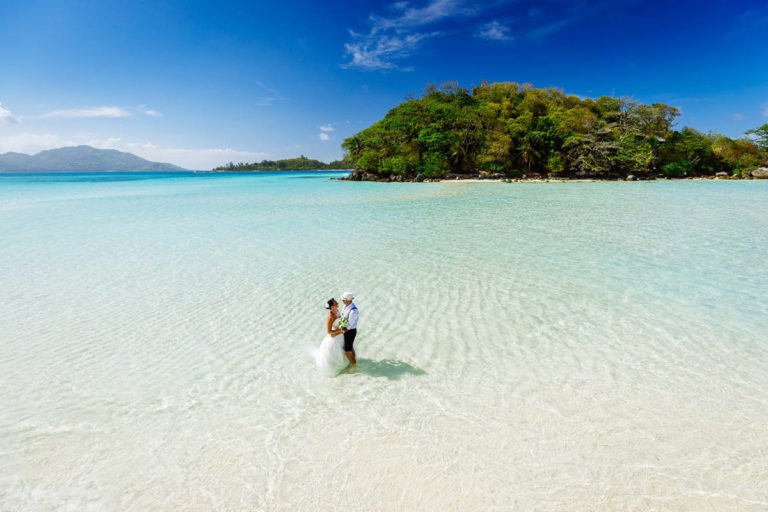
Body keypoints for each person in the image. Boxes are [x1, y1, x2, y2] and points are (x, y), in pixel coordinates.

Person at [313, 298, 349, 376]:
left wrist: (344, 325)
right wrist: (341, 330)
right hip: (334, 337)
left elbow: (341, 321)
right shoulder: (330, 317)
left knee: (343, 352)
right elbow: (329, 332)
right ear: (332, 306)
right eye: (336, 303)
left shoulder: (337, 311)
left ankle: (346, 366)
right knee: (335, 355)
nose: (337, 303)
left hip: (340, 334)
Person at [340, 292, 359, 368]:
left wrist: (339, 331)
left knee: (347, 352)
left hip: (350, 332)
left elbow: (350, 326)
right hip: (346, 330)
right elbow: (343, 318)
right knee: (350, 348)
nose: (342, 301)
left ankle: (354, 366)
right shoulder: (345, 306)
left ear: (348, 300)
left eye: (343, 299)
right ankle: (354, 359)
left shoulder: (353, 310)